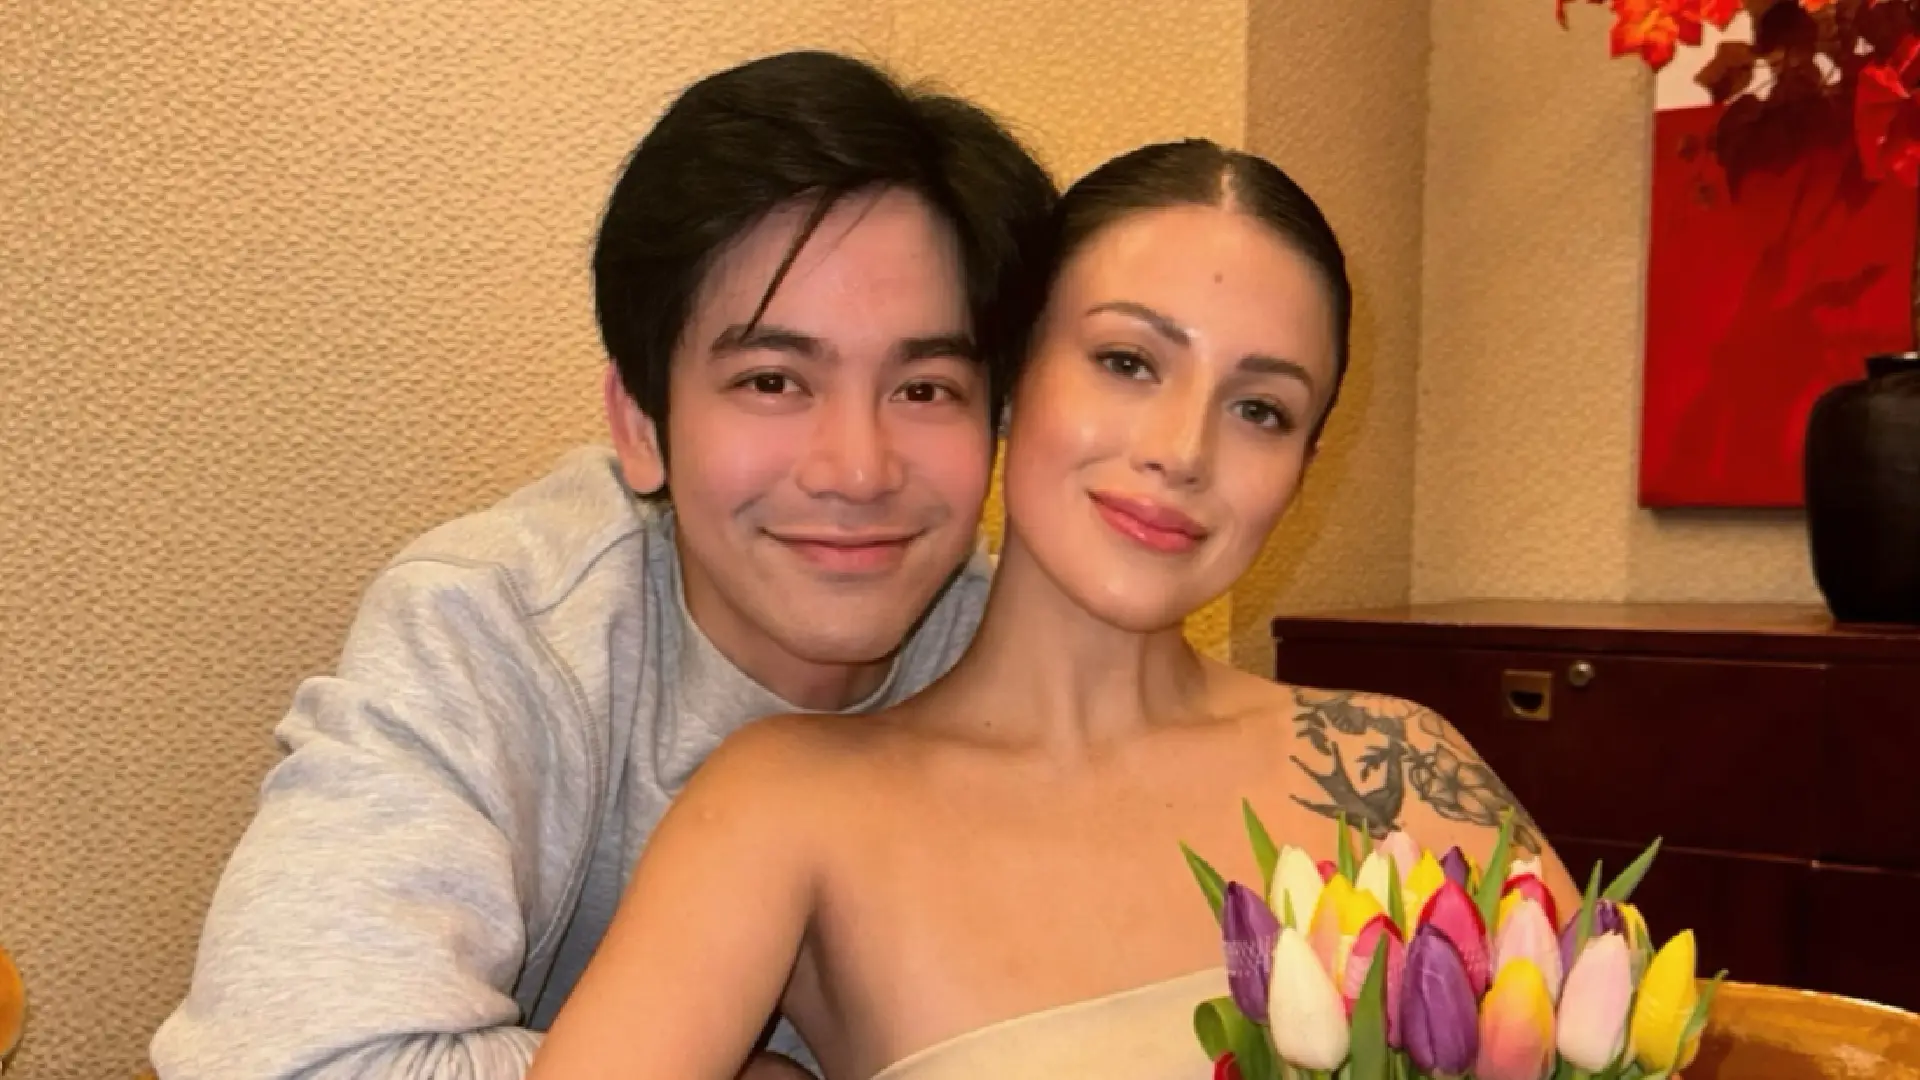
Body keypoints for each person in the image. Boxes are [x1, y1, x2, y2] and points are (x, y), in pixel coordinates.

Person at [522, 139, 1584, 1080]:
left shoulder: (1399, 768)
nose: (1182, 450)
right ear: (1009, 382)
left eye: (1261, 409)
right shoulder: (782, 806)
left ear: (1302, 469)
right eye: (1127, 362)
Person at [149, 50, 1056, 1080]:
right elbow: (290, 1063)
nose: (857, 469)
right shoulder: (493, 630)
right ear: (641, 424)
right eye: (772, 380)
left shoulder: (1022, 662)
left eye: (926, 389)